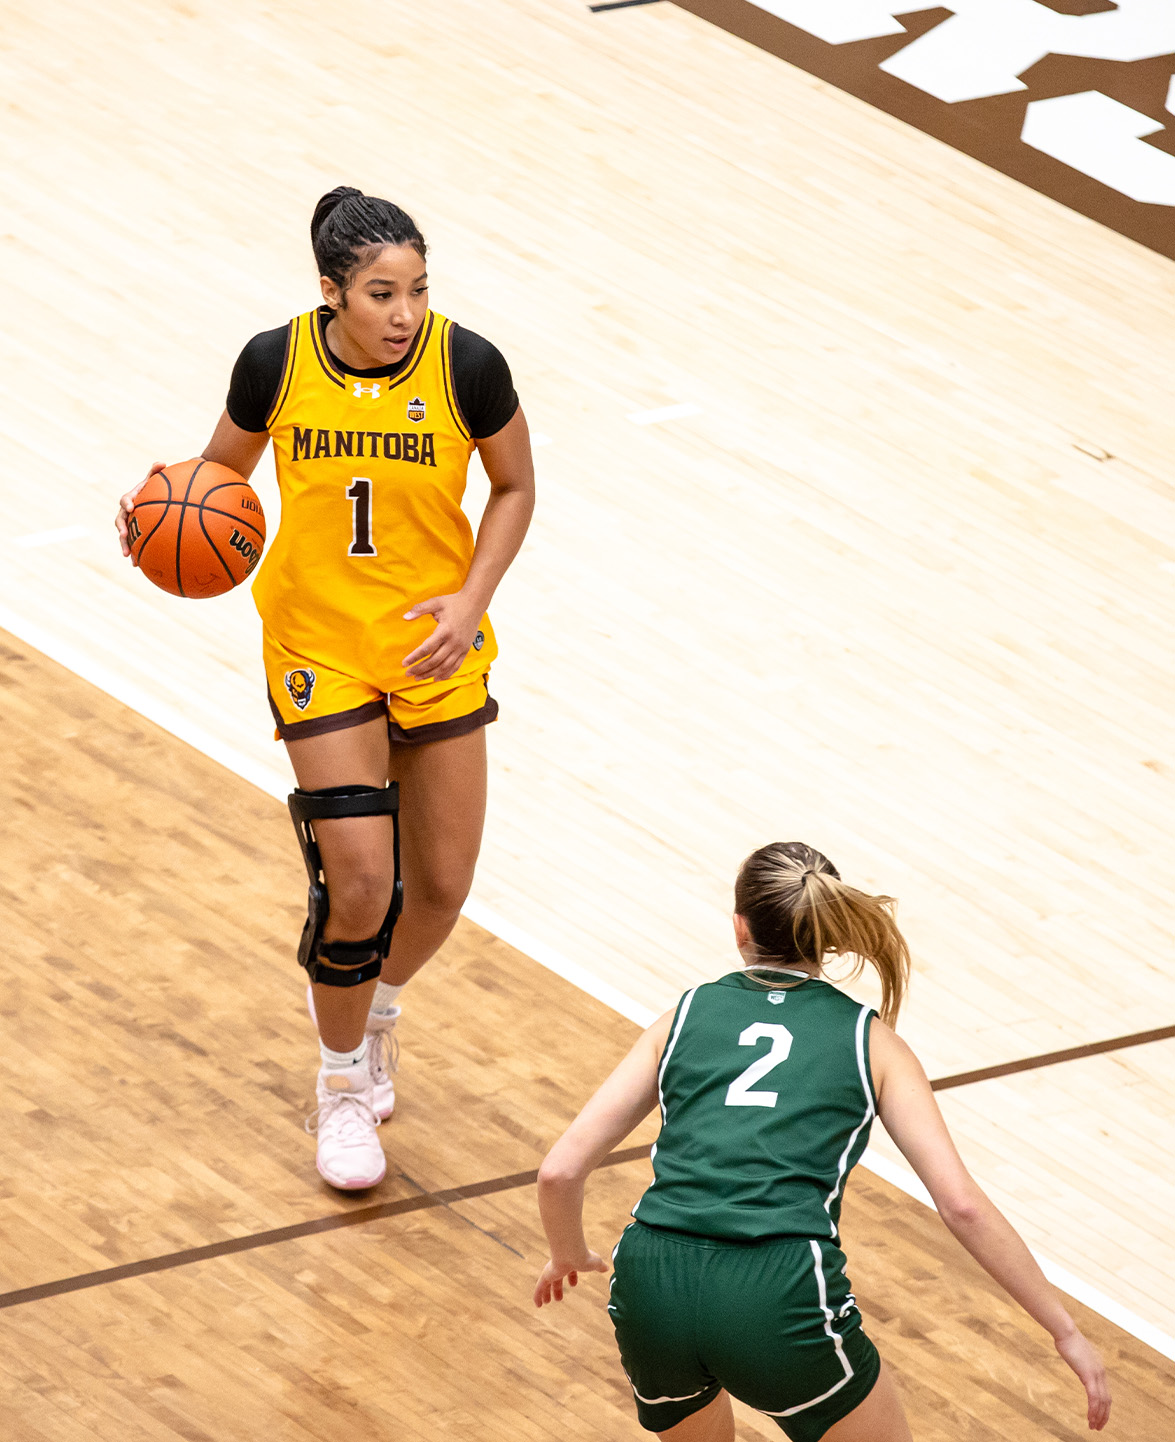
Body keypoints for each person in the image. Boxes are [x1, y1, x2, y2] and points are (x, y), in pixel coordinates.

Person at [116, 187, 535, 1191]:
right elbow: (214, 480)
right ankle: (340, 1083)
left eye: (418, 290)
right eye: (382, 293)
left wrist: (468, 602)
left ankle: (375, 1012)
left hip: (432, 648)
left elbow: (515, 486)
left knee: (438, 889)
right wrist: (153, 522)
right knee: (357, 884)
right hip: (318, 647)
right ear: (331, 292)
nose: (404, 313)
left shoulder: (464, 366)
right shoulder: (277, 363)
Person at [533, 842, 1110, 1440]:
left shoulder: (685, 1014)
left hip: (651, 1278)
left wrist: (569, 1253)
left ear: (740, 929)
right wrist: (1063, 1329)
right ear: (827, 935)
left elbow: (560, 1172)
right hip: (777, 1288)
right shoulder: (872, 1041)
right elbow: (962, 1206)